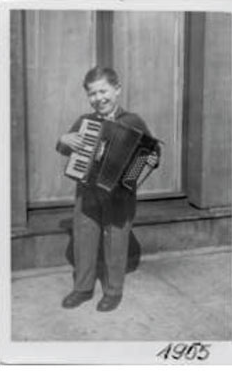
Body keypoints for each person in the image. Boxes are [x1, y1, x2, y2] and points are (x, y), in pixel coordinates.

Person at [56, 66, 159, 312]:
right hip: (87, 189)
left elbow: (152, 150)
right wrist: (62, 140)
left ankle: (113, 291)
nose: (99, 98)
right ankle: (82, 288)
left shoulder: (133, 121)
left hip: (120, 195)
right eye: (92, 94)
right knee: (84, 237)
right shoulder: (85, 122)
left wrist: (151, 161)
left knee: (116, 240)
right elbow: (65, 148)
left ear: (117, 90)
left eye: (103, 91)